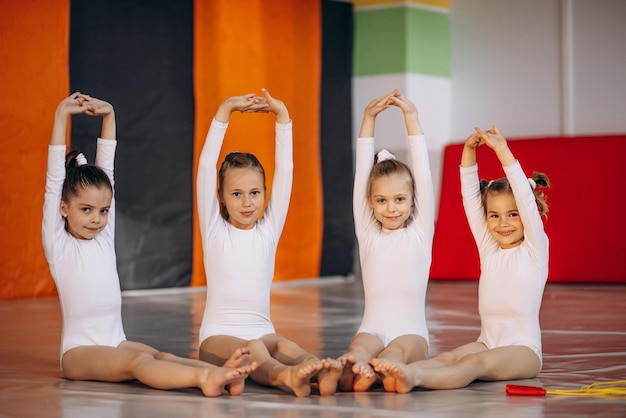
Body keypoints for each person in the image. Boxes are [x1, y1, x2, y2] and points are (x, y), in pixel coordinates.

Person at [42, 92, 257, 397]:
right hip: (79, 351)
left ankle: (219, 374)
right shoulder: (58, 242)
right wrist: (62, 113)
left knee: (160, 356)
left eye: (103, 211)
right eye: (85, 210)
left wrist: (110, 116)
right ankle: (204, 380)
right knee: (139, 363)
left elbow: (108, 170)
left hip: (115, 340)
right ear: (64, 208)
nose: (97, 219)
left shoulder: (102, 235)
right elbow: (54, 181)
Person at [370, 125, 550, 392]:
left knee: (472, 364)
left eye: (513, 214)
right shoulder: (490, 250)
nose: (503, 223)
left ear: (526, 215)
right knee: (448, 357)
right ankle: (397, 373)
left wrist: (501, 150)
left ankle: (412, 377)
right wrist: (468, 151)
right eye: (494, 215)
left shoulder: (535, 249)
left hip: (523, 350)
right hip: (487, 341)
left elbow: (524, 199)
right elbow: (470, 197)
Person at [196, 89, 342, 397]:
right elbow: (206, 167)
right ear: (221, 196)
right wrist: (224, 111)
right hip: (217, 340)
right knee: (254, 350)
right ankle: (288, 377)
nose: (247, 202)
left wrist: (283, 116)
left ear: (265, 192)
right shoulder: (214, 230)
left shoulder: (268, 231)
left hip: (263, 331)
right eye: (236, 194)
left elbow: (286, 171)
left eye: (255, 193)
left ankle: (319, 369)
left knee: (285, 345)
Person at [338, 89, 435, 392]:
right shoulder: (368, 232)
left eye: (399, 199)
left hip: (412, 335)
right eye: (381, 200)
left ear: (412, 199)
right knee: (356, 352)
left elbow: (422, 170)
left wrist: (411, 117)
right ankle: (357, 369)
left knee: (394, 356)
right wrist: (368, 118)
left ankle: (377, 371)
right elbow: (361, 173)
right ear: (370, 202)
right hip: (372, 329)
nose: (391, 208)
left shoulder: (420, 231)